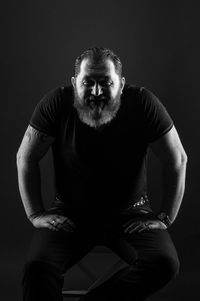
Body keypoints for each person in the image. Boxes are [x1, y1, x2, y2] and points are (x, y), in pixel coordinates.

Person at [16, 47, 188, 301]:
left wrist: (165, 217)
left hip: (130, 216)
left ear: (121, 84)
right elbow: (25, 157)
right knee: (37, 269)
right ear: (75, 83)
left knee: (164, 264)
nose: (97, 92)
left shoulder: (142, 102)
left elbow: (178, 159)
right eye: (88, 82)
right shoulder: (56, 103)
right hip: (70, 216)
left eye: (106, 82)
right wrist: (35, 214)